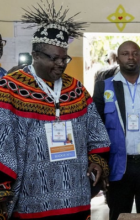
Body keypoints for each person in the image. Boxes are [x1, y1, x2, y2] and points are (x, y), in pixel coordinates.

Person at [0, 2, 111, 219]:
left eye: (65, 58)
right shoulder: (10, 88)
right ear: (36, 55)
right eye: (54, 58)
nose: (61, 64)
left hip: (75, 194)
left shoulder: (75, 88)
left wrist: (96, 160)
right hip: (31, 196)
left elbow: (96, 132)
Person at [93, 41, 140, 220]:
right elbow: (97, 129)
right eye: (125, 53)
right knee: (118, 213)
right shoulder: (104, 87)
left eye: (135, 53)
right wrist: (100, 162)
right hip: (118, 166)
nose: (131, 57)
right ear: (118, 59)